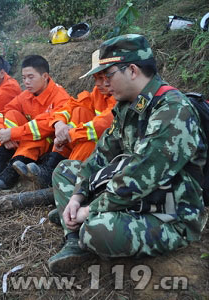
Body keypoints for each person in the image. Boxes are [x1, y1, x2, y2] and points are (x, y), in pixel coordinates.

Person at [48, 34, 207, 274]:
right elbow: (99, 156)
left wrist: (89, 210)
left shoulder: (173, 110)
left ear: (132, 70)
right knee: (65, 170)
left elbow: (140, 176)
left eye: (108, 75)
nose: (104, 84)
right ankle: (73, 237)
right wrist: (77, 197)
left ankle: (77, 225)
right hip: (137, 197)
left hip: (171, 213)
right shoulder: (127, 107)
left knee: (96, 230)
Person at [14, 50, 117, 188]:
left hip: (108, 149)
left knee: (88, 142)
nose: (97, 83)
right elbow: (73, 104)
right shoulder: (97, 92)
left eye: (103, 78)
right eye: (95, 78)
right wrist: (59, 124)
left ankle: (65, 178)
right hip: (61, 143)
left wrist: (68, 135)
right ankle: (50, 170)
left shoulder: (120, 97)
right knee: (79, 112)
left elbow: (103, 125)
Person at [0, 55, 70, 190]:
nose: (26, 82)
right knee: (11, 114)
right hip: (23, 140)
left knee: (37, 135)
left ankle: (11, 172)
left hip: (48, 147)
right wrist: (1, 132)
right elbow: (2, 112)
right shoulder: (26, 95)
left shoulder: (60, 97)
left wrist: (13, 133)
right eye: (24, 77)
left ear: (45, 76)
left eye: (31, 77)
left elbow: (46, 127)